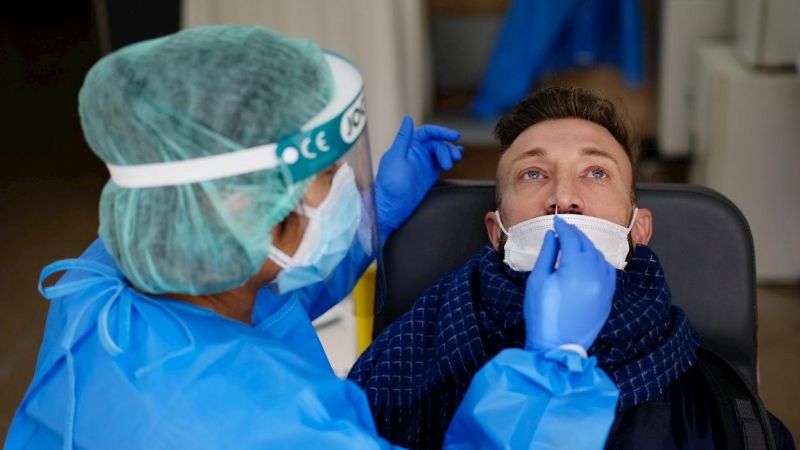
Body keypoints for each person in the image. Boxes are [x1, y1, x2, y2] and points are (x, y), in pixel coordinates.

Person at [7, 26, 624, 449]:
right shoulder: (274, 428)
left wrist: (371, 216)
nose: (563, 197)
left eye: (596, 171)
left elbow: (259, 294)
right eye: (332, 176)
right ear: (250, 206)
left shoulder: (113, 279)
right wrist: (554, 369)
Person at [349, 86, 797, 450]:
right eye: (533, 174)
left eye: (596, 173)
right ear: (496, 231)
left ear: (638, 229)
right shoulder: (406, 361)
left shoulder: (725, 409)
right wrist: (373, 216)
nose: (564, 198)